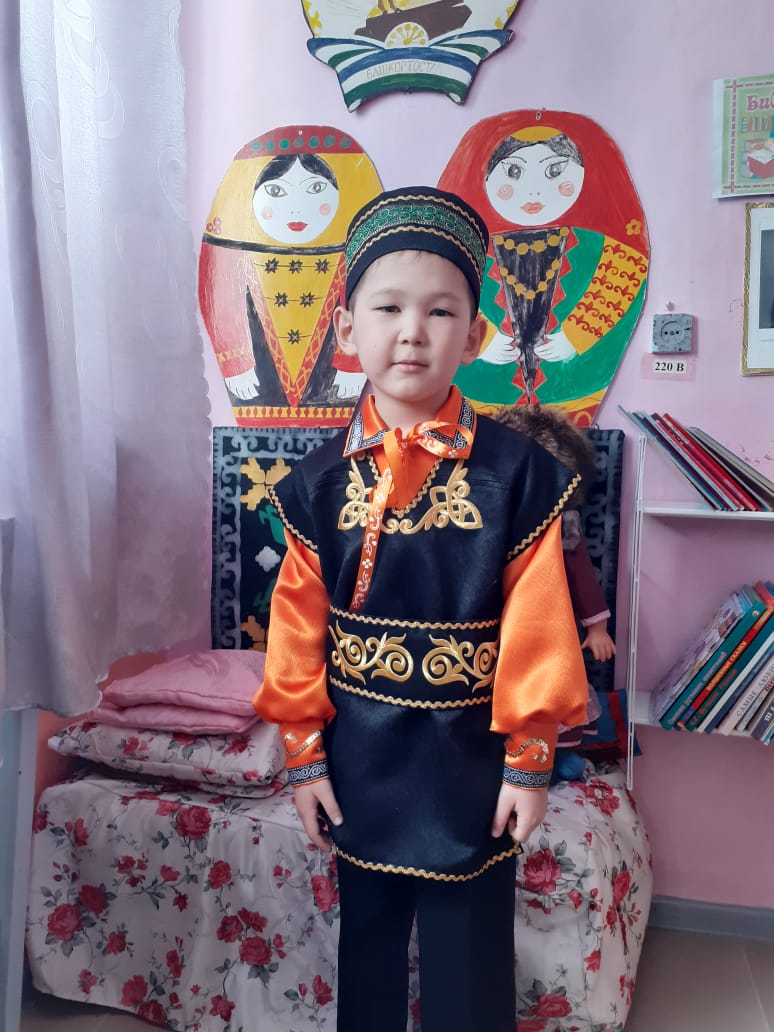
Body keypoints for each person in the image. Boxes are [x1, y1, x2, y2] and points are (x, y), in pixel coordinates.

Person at [253, 185, 588, 1032]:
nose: (412, 331)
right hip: (359, 754)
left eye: (440, 311)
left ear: (473, 336)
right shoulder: (316, 484)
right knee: (366, 943)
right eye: (389, 307)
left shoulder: (519, 475)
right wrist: (304, 758)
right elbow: (296, 631)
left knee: (467, 954)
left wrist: (530, 760)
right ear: (346, 328)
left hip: (471, 754)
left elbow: (540, 626)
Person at [437, 109, 650, 426]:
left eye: (555, 171)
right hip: (484, 397)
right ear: (485, 178)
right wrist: (480, 340)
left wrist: (575, 336)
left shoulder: (597, 245)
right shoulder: (466, 247)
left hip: (570, 395)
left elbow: (623, 277)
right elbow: (440, 292)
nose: (534, 191)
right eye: (513, 172)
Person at [494, 402, 616, 779]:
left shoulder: (563, 526)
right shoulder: (487, 519)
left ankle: (554, 755)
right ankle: (503, 756)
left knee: (552, 686)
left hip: (551, 625)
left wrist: (597, 628)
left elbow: (582, 577)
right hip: (498, 627)